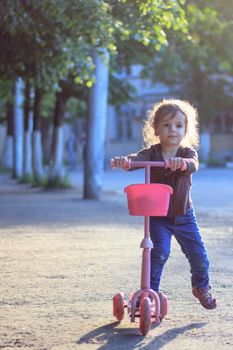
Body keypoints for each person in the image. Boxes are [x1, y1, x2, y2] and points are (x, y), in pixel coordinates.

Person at [113, 98, 217, 309]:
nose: (173, 130)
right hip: (158, 216)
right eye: (167, 125)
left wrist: (183, 164)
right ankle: (148, 296)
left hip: (184, 214)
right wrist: (125, 162)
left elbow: (193, 165)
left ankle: (201, 286)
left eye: (178, 126)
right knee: (157, 253)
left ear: (185, 129)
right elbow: (135, 160)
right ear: (156, 129)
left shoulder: (187, 153)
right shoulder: (151, 153)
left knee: (198, 254)